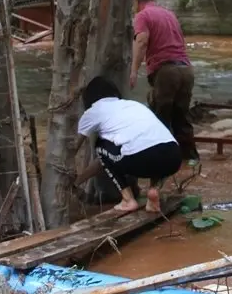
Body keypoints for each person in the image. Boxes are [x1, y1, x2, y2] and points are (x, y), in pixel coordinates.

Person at [75, 76, 182, 214]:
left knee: (100, 146)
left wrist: (73, 180)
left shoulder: (92, 112)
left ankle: (128, 200)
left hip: (141, 157)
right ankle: (154, 191)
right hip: (173, 155)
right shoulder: (133, 104)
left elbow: (74, 147)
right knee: (153, 146)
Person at [130, 0, 199, 164]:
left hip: (167, 71)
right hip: (186, 70)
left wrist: (133, 70)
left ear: (136, 0)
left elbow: (142, 41)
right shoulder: (169, 14)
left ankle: (160, 161)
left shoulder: (142, 16)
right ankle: (190, 159)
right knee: (181, 117)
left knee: (160, 116)